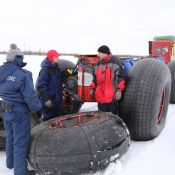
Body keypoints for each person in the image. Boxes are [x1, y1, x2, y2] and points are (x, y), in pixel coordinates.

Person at [0, 44, 42, 175]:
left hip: (5, 111)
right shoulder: (23, 75)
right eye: (21, 56)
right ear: (17, 58)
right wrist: (38, 109)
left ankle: (10, 163)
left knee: (10, 138)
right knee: (20, 143)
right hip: (19, 113)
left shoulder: (1, 71)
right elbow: (30, 96)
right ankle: (21, 172)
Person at [90, 45, 126, 114]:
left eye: (99, 53)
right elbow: (94, 78)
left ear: (104, 53)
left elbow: (121, 77)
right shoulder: (98, 64)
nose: (98, 55)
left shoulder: (116, 62)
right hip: (100, 97)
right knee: (101, 117)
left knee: (111, 117)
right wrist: (92, 89)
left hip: (111, 97)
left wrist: (119, 91)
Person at [36, 50, 62, 121]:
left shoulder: (56, 68)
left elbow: (58, 83)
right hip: (49, 102)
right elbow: (41, 86)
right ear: (51, 58)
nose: (58, 58)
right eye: (56, 57)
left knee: (56, 119)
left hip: (56, 101)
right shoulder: (45, 70)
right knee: (49, 120)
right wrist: (46, 99)